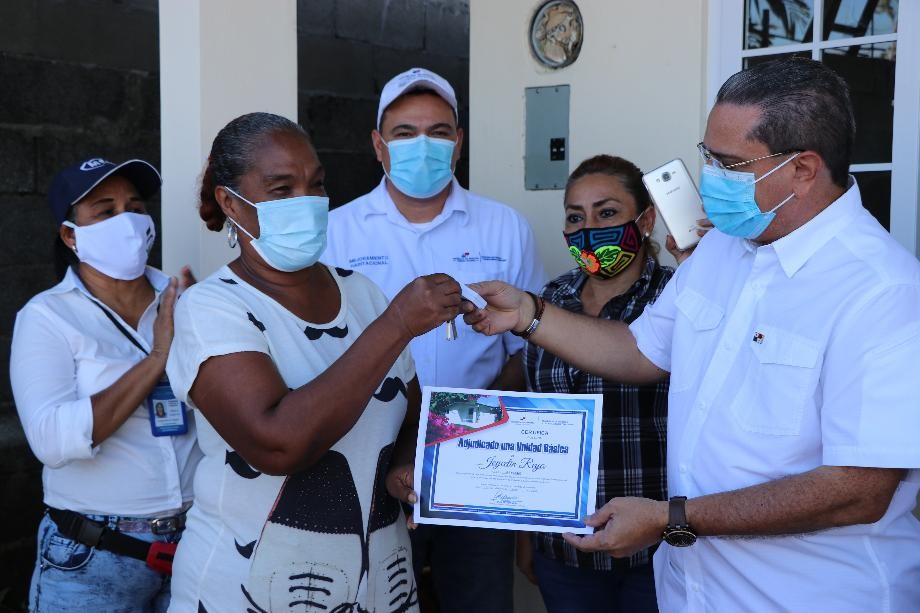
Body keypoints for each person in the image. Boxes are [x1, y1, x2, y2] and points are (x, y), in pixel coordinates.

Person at [463, 57, 920, 611]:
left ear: (802, 169)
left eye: (728, 163)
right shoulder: (723, 249)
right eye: (707, 155)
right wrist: (529, 314)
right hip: (691, 592)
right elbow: (639, 351)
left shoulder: (883, 290)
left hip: (810, 597)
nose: (710, 177)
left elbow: (858, 490)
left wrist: (672, 519)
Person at [165, 112, 461, 612]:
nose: (306, 201)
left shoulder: (363, 293)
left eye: (316, 184)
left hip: (382, 585)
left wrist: (405, 465)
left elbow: (410, 416)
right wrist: (396, 325)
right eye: (282, 189)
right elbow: (277, 445)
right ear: (230, 202)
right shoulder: (211, 308)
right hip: (252, 588)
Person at [325, 67, 546, 613]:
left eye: (439, 131)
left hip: (478, 455)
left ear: (459, 142)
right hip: (368, 460)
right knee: (374, 599)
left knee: (479, 599)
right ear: (379, 145)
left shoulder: (505, 227)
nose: (422, 145)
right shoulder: (336, 232)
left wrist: (466, 428)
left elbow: (531, 347)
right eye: (404, 133)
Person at [10, 157, 200, 612]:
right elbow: (52, 440)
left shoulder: (183, 298)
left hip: (196, 542)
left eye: (135, 207)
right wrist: (158, 356)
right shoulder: (47, 316)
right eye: (106, 211)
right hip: (93, 555)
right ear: (70, 235)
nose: (127, 221)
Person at [514, 155, 671, 613]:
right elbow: (531, 420)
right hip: (566, 550)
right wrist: (527, 533)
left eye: (607, 213)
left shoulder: (677, 297)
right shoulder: (549, 301)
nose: (589, 229)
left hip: (658, 549)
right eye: (575, 217)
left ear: (645, 220)